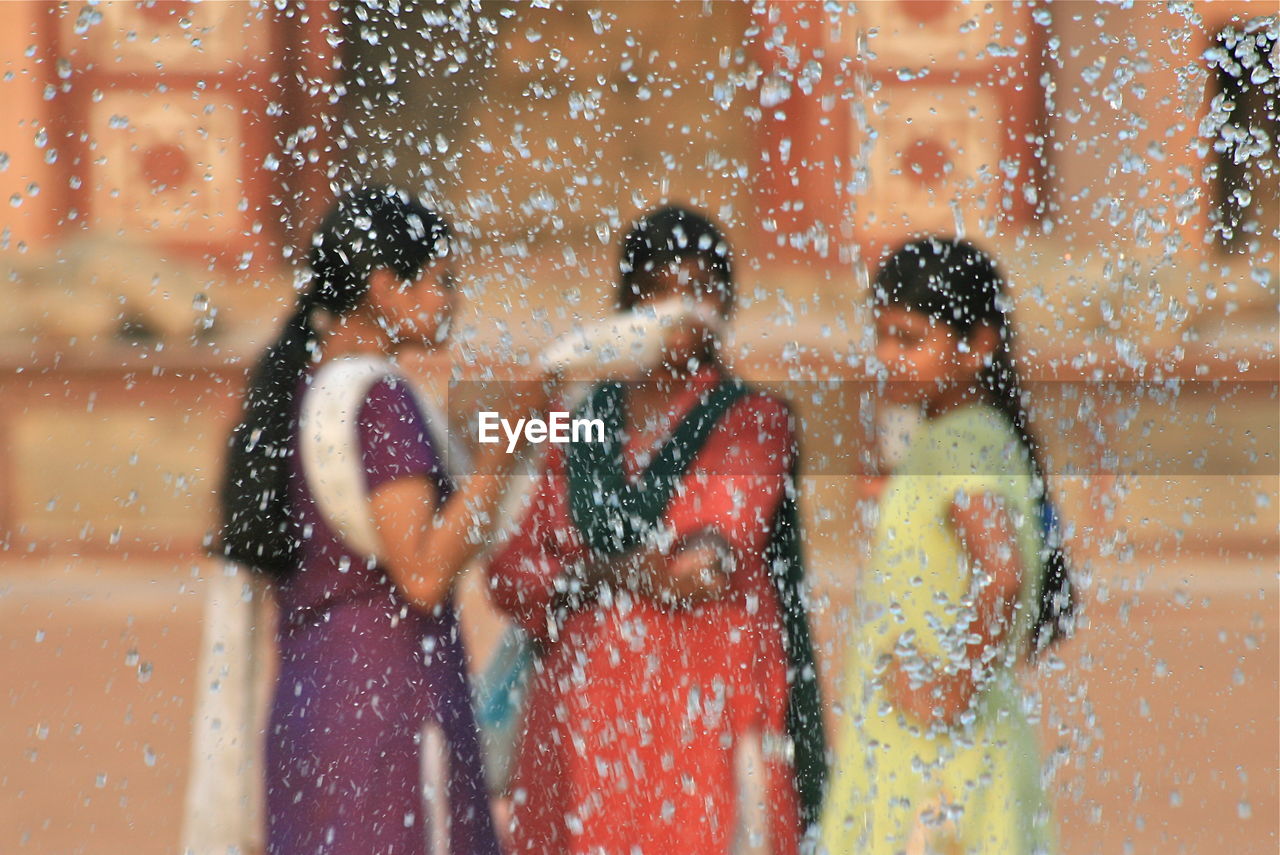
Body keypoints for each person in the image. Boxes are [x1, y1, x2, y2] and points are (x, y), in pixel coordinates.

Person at [487, 205, 826, 855]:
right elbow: (512, 573)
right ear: (628, 304)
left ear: (726, 302)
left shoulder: (754, 421)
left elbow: (702, 567)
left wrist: (588, 571)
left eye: (701, 288)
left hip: (700, 717)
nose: (682, 308)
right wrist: (617, 571)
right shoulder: (582, 421)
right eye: (660, 289)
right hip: (581, 726)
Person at [217, 186, 547, 855]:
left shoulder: (301, 388)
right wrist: (507, 443)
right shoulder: (381, 399)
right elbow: (422, 572)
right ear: (384, 287)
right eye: (439, 280)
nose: (450, 298)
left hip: (313, 705)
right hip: (388, 713)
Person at [818, 237, 1073, 854]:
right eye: (880, 335)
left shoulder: (952, 447)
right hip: (972, 754)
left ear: (979, 345)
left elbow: (1003, 572)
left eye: (909, 339)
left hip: (928, 775)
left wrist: (947, 691)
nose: (886, 356)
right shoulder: (985, 433)